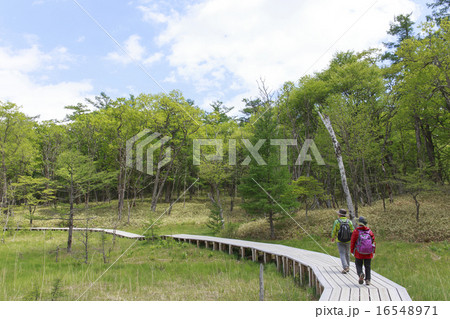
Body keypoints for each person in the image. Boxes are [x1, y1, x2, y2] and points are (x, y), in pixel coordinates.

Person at [351, 216, 376, 285]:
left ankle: (360, 274)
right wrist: (373, 252)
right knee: (367, 266)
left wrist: (352, 251)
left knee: (358, 264)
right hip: (368, 253)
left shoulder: (356, 231)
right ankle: (368, 280)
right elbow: (373, 242)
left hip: (359, 252)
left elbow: (353, 242)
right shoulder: (369, 231)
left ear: (359, 223)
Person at [331, 209, 354, 274]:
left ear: (339, 215)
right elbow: (352, 230)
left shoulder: (337, 221)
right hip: (348, 240)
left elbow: (334, 230)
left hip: (339, 240)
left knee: (342, 253)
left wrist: (333, 237)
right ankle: (348, 266)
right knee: (347, 253)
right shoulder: (349, 221)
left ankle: (345, 267)